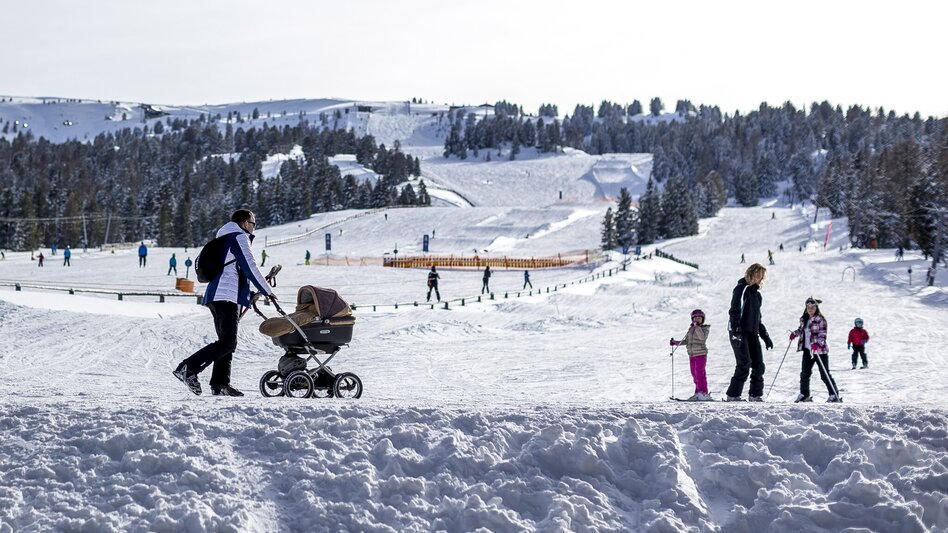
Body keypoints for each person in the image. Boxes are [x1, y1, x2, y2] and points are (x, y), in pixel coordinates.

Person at [173, 209, 276, 397]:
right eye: (253, 224)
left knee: (227, 342)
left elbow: (235, 272)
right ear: (245, 223)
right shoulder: (238, 237)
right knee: (228, 342)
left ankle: (220, 384)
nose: (254, 228)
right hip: (225, 295)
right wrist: (267, 291)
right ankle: (187, 368)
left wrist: (251, 294)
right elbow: (249, 266)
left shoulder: (225, 238)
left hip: (222, 295)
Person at [725, 263, 774, 402]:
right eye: (757, 274)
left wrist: (766, 337)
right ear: (750, 273)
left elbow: (758, 320)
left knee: (759, 365)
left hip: (752, 334)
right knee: (744, 363)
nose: (759, 278)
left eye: (762, 276)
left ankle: (755, 395)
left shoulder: (757, 295)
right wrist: (735, 330)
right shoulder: (741, 288)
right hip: (739, 332)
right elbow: (734, 310)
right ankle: (733, 395)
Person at [789, 297, 841, 402]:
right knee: (804, 373)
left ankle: (834, 394)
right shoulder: (804, 319)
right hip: (808, 351)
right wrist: (795, 333)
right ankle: (804, 395)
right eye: (808, 307)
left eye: (812, 307)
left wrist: (817, 344)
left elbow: (823, 335)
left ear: (816, 307)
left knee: (824, 374)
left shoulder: (820, 319)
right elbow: (801, 330)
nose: (810, 309)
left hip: (819, 351)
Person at [669, 309, 712, 401]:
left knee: (700, 374)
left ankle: (703, 393)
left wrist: (697, 327)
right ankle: (698, 393)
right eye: (695, 317)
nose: (697, 319)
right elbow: (687, 341)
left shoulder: (705, 328)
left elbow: (702, 338)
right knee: (694, 374)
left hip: (700, 354)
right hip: (692, 354)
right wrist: (676, 342)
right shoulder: (691, 329)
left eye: (699, 318)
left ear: (703, 319)